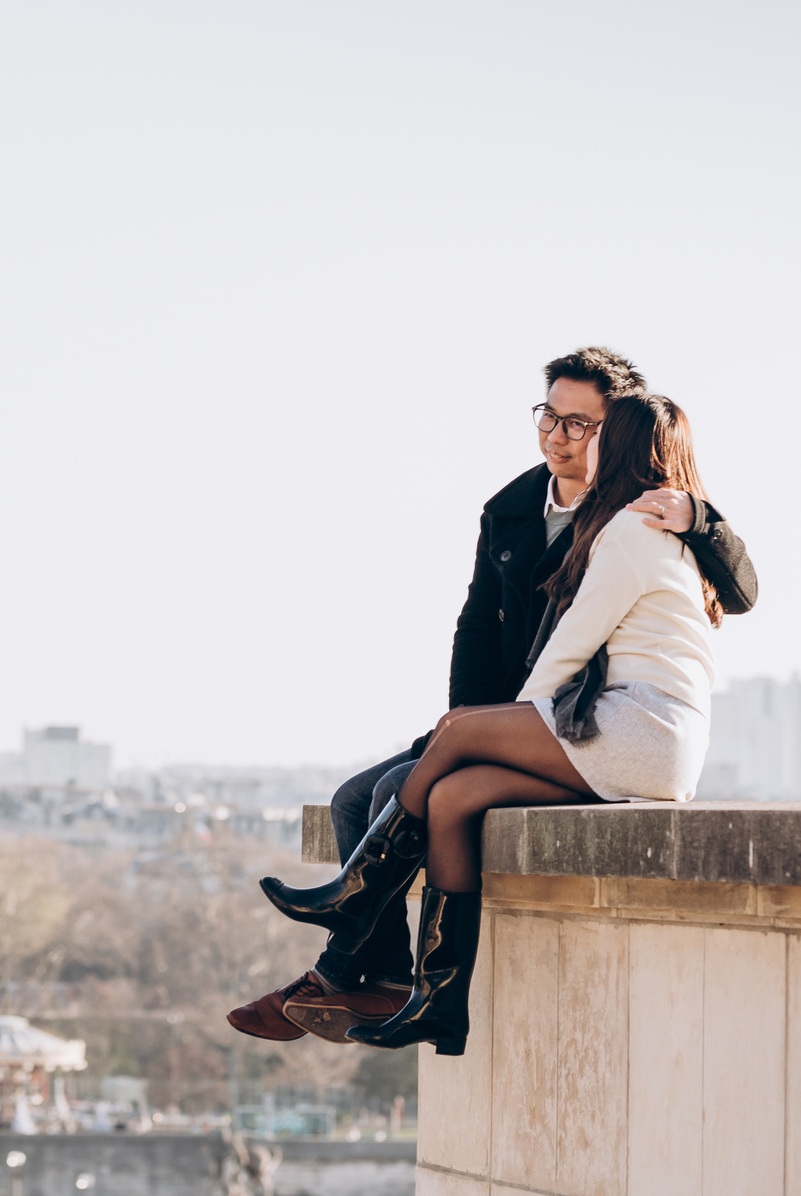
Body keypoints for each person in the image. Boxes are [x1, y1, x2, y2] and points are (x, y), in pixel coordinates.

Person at [229, 346, 756, 1045]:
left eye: (579, 424)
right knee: (373, 797)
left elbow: (736, 592)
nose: (558, 436)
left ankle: (341, 952)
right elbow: (477, 624)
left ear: (614, 430)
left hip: (583, 717)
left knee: (400, 787)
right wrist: (473, 720)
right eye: (549, 416)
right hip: (539, 720)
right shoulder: (511, 507)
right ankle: (403, 985)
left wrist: (701, 515)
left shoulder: (645, 514)